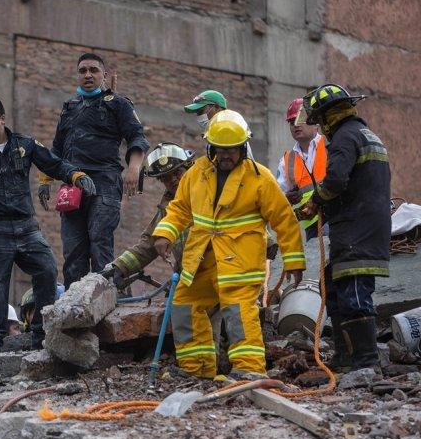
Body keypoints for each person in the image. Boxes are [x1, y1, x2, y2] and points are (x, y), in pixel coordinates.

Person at [152, 111, 305, 379]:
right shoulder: (197, 173)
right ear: (210, 147)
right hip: (201, 260)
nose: (226, 156)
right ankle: (196, 370)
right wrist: (165, 233)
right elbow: (179, 209)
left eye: (232, 150)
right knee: (185, 307)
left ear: (243, 147)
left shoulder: (260, 178)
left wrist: (293, 261)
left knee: (238, 314)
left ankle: (248, 371)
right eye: (220, 150)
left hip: (241, 265)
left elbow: (285, 220)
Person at [0, 96, 94, 352]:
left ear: (2, 118)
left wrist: (76, 175)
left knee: (46, 268)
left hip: (26, 227)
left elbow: (53, 163)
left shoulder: (25, 144)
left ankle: (42, 334)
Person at [299, 84, 391, 371]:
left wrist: (316, 201)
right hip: (362, 227)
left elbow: (336, 180)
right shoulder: (364, 134)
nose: (322, 129)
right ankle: (344, 357)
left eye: (320, 121)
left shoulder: (345, 137)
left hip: (356, 231)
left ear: (327, 117)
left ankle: (364, 361)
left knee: (353, 293)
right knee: (336, 290)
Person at [40, 53, 149, 288]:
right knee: (73, 253)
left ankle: (104, 305)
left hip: (104, 184)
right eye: (82, 71)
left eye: (93, 70)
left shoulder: (117, 104)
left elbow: (136, 136)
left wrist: (134, 168)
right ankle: (75, 310)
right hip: (72, 187)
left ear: (104, 76)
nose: (88, 75)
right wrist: (45, 179)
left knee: (100, 245)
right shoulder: (70, 107)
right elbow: (57, 149)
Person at [100, 143, 194, 281]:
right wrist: (119, 267)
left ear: (189, 169)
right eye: (166, 178)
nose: (173, 180)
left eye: (177, 173)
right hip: (188, 279)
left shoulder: (206, 194)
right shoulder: (167, 209)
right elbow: (148, 245)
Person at [276, 97, 327, 241]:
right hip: (312, 228)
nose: (295, 125)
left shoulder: (330, 145)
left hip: (339, 219)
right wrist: (287, 199)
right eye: (291, 122)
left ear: (316, 123)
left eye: (300, 119)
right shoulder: (286, 161)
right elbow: (277, 199)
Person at [183, 90, 254, 158]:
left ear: (216, 107)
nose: (198, 116)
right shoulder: (214, 133)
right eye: (197, 113)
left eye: (200, 111)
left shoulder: (227, 131)